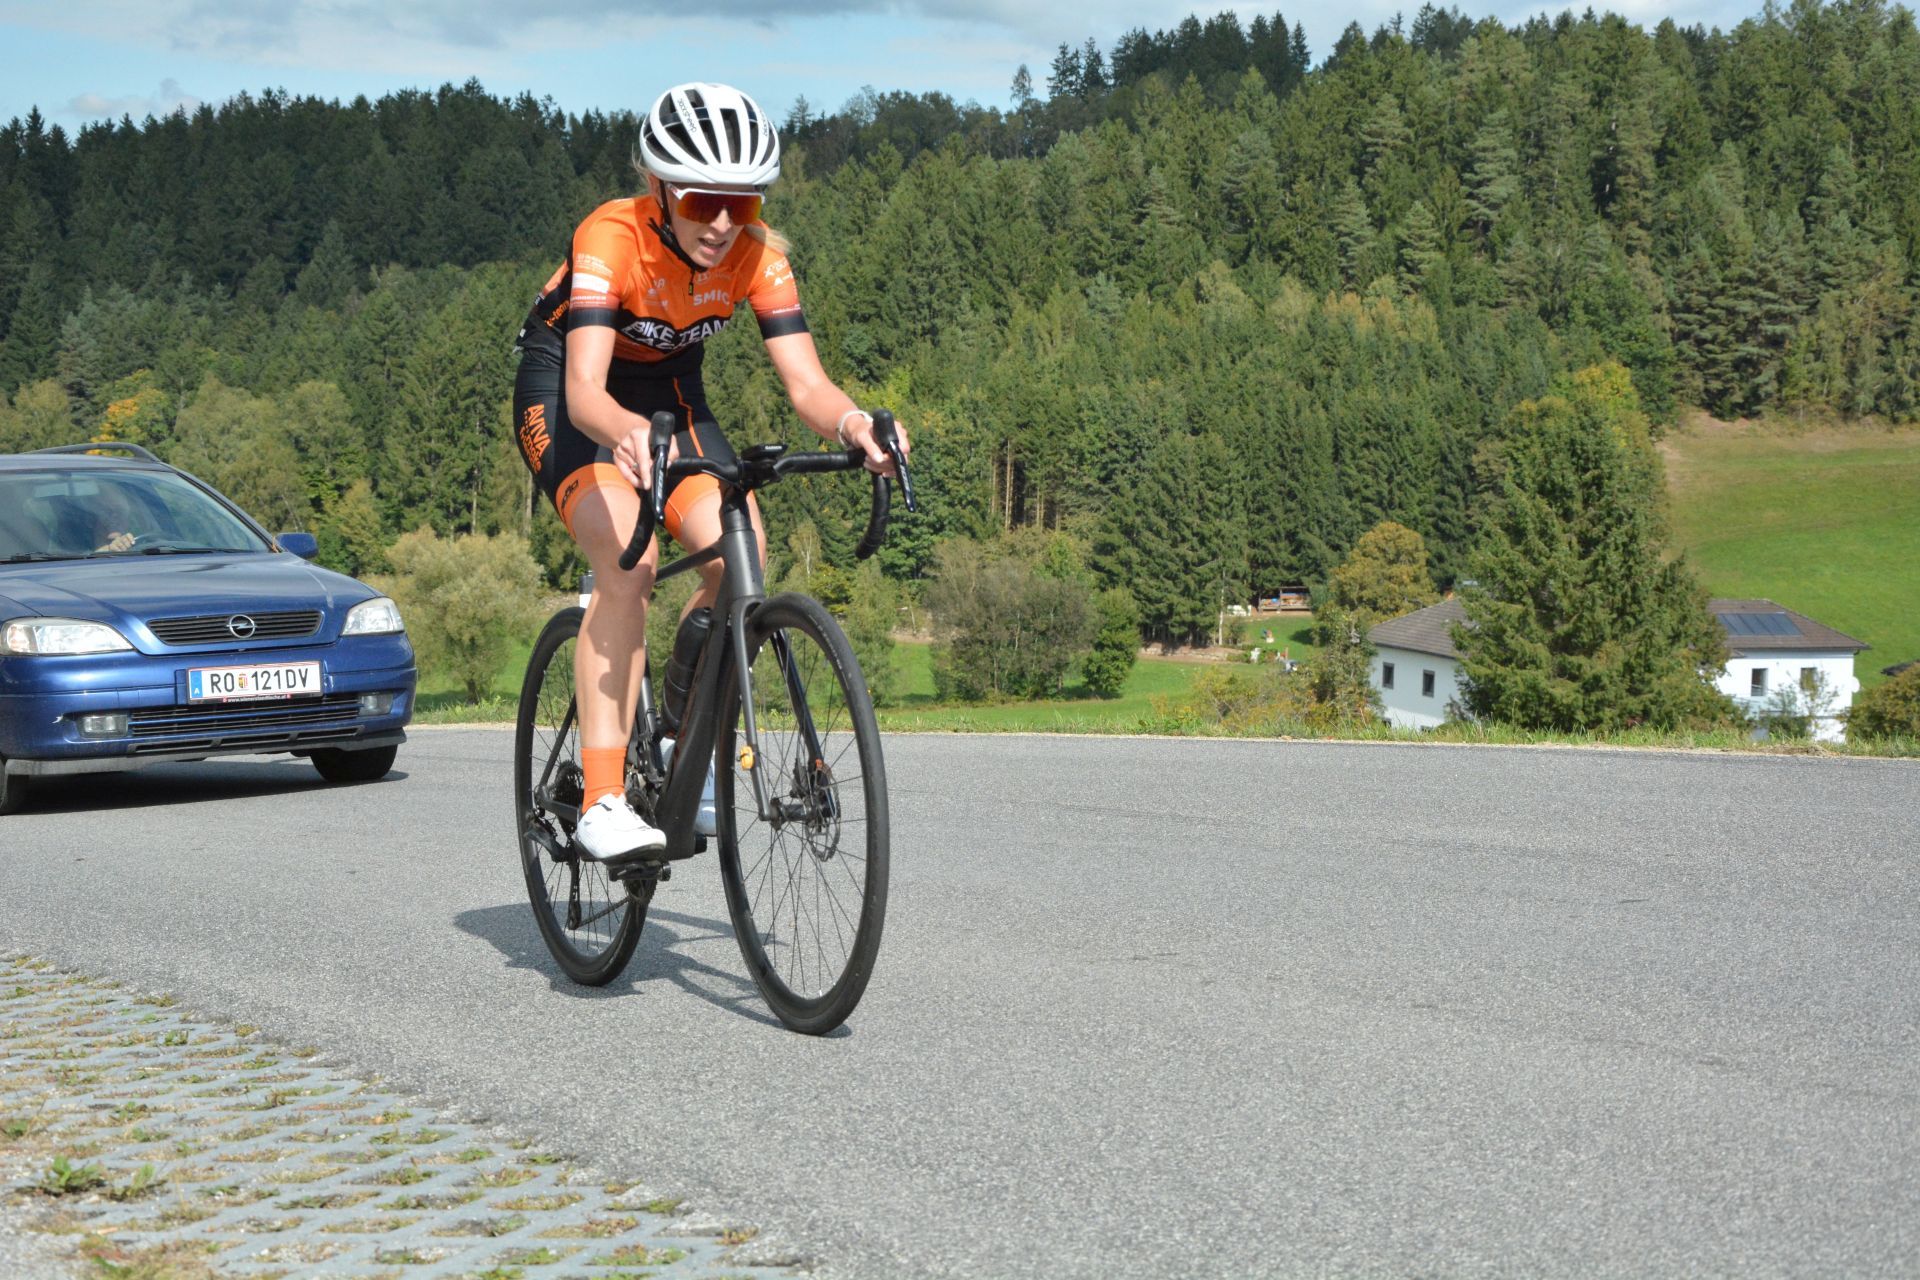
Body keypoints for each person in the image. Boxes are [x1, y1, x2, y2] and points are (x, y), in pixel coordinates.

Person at [512, 82, 908, 863]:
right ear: (659, 187)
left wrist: (856, 424)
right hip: (570, 395)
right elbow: (586, 393)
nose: (723, 223)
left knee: (739, 560)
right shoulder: (610, 237)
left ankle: (676, 737)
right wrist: (627, 435)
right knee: (630, 564)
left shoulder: (759, 256)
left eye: (743, 202)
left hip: (673, 398)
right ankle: (601, 799)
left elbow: (808, 385)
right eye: (702, 201)